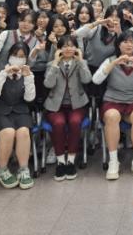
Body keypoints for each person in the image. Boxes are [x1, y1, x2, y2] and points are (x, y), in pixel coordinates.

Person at [92, 29, 133, 180]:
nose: (128, 45)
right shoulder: (110, 60)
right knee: (112, 116)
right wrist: (113, 64)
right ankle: (113, 161)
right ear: (118, 45)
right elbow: (96, 80)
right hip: (113, 100)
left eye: (132, 42)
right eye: (125, 42)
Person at [0, 42, 36, 190]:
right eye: (15, 55)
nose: (18, 59)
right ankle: (2, 169)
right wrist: (4, 74)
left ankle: (23, 169)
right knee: (8, 132)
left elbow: (29, 98)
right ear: (9, 56)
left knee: (23, 132)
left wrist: (28, 78)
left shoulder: (27, 73)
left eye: (22, 56)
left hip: (20, 111)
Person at [43, 35, 92, 181]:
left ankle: (70, 160)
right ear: (59, 49)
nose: (68, 49)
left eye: (71, 45)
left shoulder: (81, 63)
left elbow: (87, 80)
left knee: (75, 122)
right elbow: (48, 84)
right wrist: (55, 63)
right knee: (58, 123)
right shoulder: (52, 64)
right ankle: (60, 161)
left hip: (76, 105)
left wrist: (81, 61)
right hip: (55, 106)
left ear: (76, 48)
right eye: (64, 46)